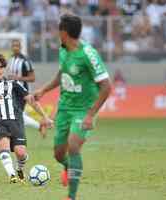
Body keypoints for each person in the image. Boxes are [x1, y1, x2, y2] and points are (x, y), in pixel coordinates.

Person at [34, 14, 112, 200]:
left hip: (83, 109)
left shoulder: (88, 54)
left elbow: (107, 86)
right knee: (59, 154)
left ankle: (71, 197)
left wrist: (90, 115)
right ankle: (69, 167)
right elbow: (63, 74)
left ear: (63, 32)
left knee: (74, 145)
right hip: (65, 107)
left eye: (58, 30)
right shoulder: (63, 50)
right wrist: (43, 90)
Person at [0, 54, 53, 184]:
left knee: (21, 153)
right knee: (3, 148)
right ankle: (12, 175)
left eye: (1, 67)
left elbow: (31, 100)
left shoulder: (13, 84)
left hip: (16, 122)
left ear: (4, 69)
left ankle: (19, 168)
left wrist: (45, 117)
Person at [7, 39, 45, 133]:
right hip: (11, 90)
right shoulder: (11, 59)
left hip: (21, 91)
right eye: (13, 46)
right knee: (16, 114)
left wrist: (17, 78)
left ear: (20, 47)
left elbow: (32, 78)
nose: (15, 48)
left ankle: (38, 126)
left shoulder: (25, 61)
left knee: (16, 114)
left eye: (17, 46)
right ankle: (39, 127)